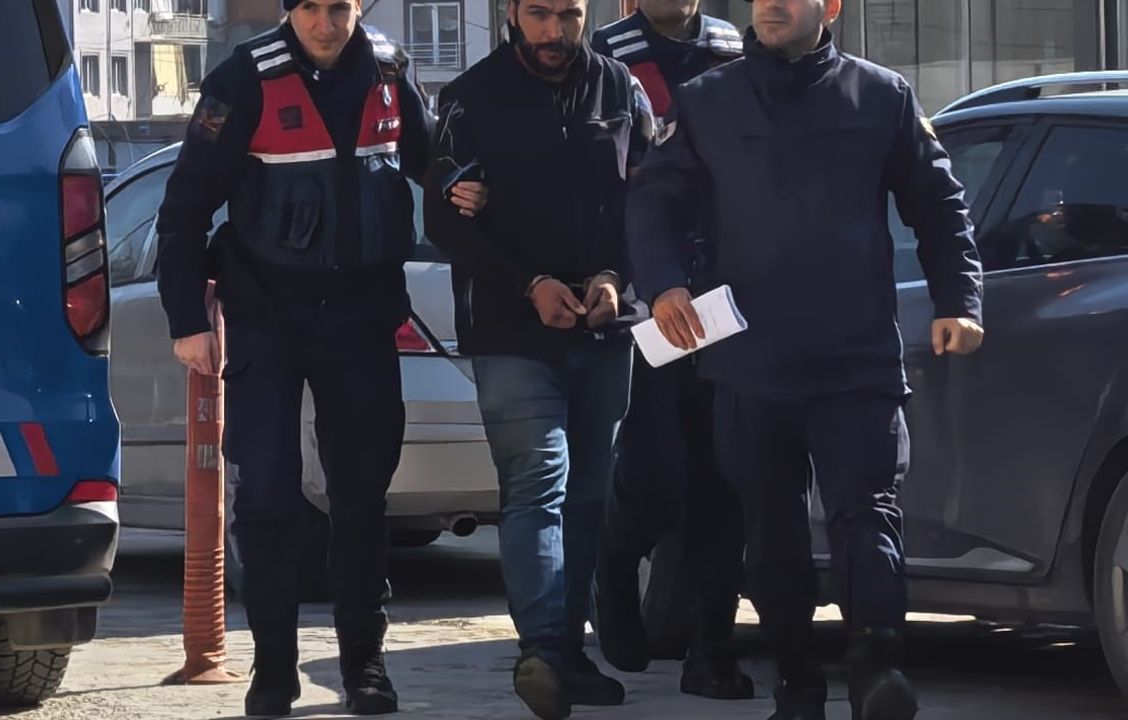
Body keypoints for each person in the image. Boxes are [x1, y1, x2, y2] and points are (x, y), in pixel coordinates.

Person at [626, 1, 985, 719]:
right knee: (771, 532)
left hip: (857, 358)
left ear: (830, 6)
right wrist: (664, 283)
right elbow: (653, 200)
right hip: (750, 364)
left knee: (868, 516)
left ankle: (878, 668)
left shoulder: (880, 96)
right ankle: (797, 684)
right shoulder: (707, 99)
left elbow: (938, 204)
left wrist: (960, 300)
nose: (771, 4)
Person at [154, 0, 482, 715]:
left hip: (362, 312)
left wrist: (465, 183)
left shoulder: (388, 71)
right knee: (267, 495)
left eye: (339, 7)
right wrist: (187, 320)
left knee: (361, 497)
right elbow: (185, 205)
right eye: (309, 7)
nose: (325, 24)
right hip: (266, 314)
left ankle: (365, 666)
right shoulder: (243, 78)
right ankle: (273, 668)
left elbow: (434, 165)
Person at [421, 0, 654, 716]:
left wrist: (618, 279)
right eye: (540, 14)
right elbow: (443, 219)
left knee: (588, 494)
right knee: (537, 481)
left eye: (570, 15)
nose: (555, 31)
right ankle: (543, 651)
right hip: (511, 329)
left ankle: (568, 655)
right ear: (512, 14)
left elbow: (656, 201)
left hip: (604, 328)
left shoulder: (621, 89)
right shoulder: (472, 97)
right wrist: (529, 284)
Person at [590, 0, 753, 701]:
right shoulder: (605, 56)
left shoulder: (736, 53)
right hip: (642, 290)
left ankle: (711, 648)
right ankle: (614, 563)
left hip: (727, 294)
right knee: (656, 471)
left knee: (724, 477)